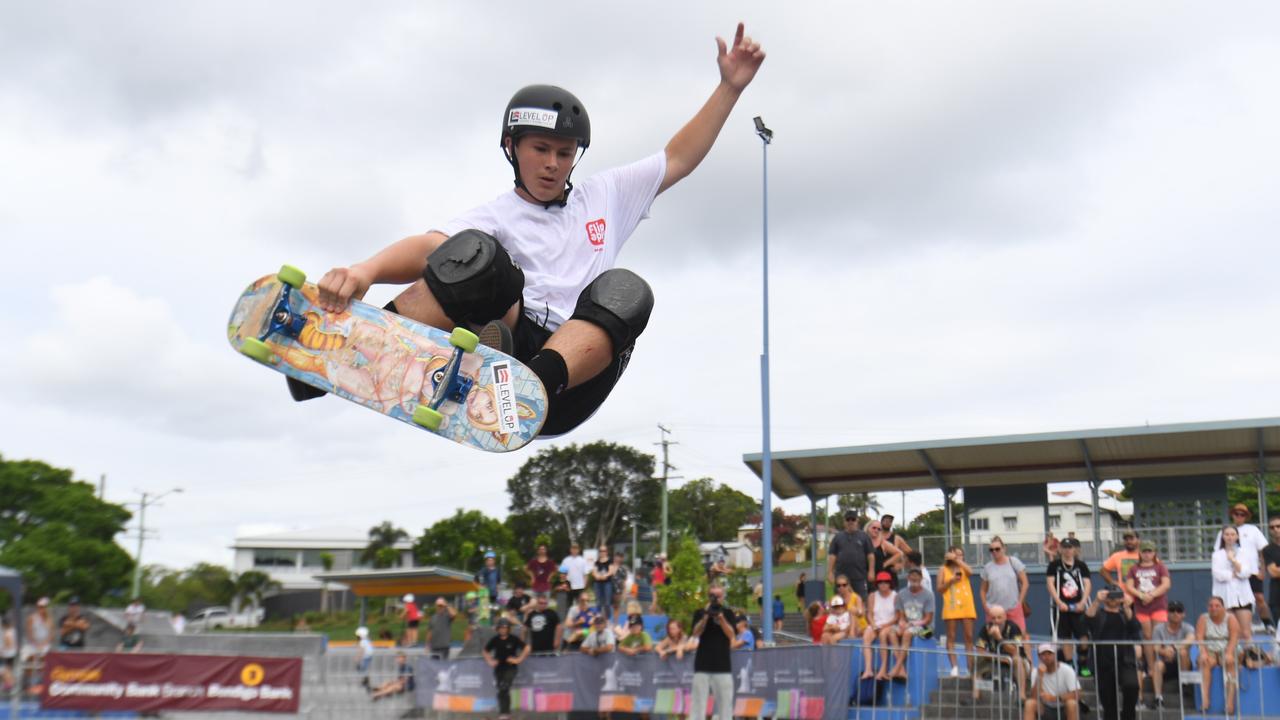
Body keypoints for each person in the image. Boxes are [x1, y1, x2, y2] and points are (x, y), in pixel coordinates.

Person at [308, 24, 766, 442]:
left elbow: (678, 159)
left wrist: (729, 88)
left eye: (564, 153)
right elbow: (429, 249)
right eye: (541, 149)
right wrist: (363, 271)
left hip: (574, 373)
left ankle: (525, 387)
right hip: (514, 338)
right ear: (512, 147)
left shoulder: (604, 196)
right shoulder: (495, 215)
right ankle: (361, 349)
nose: (552, 164)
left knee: (625, 289)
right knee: (474, 255)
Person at [1215, 502, 1273, 632]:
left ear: (1246, 516)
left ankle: (1267, 623)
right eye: (1237, 514)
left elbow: (1262, 550)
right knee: (1233, 601)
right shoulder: (1223, 531)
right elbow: (1217, 551)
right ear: (1232, 515)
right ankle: (1236, 627)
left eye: (1242, 514)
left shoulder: (1253, 530)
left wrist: (1262, 569)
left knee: (1259, 598)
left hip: (1251, 571)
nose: (1239, 516)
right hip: (1232, 574)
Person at [1085, 587, 1140, 720]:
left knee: (1132, 686)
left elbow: (1135, 628)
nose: (1113, 598)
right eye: (1110, 595)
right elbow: (1087, 620)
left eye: (1116, 595)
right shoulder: (1099, 613)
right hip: (1103, 662)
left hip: (1125, 660)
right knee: (1109, 703)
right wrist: (1097, 601)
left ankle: (1127, 716)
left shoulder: (1124, 613)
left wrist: (1128, 607)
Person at [1124, 540, 1170, 695]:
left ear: (1154, 552)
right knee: (1147, 636)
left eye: (1150, 551)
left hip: (1158, 604)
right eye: (1144, 551)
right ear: (1140, 553)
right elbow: (1129, 586)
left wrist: (1151, 595)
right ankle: (1150, 667)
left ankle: (1160, 665)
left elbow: (1166, 584)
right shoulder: (1134, 568)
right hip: (1141, 605)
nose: (1147, 554)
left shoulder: (1160, 566)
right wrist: (1141, 595)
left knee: (1158, 635)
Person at [690, 585, 737, 720]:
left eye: (718, 596)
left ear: (723, 597)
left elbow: (731, 635)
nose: (715, 599)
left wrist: (721, 619)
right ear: (708, 596)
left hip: (722, 666)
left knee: (725, 706)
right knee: (698, 705)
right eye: (713, 596)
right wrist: (705, 617)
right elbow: (695, 633)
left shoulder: (728, 613)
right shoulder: (699, 613)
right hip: (702, 665)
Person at [1046, 536, 1092, 675]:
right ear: (1060, 549)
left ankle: (1083, 664)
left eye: (1070, 548)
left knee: (1084, 635)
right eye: (1065, 548)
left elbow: (1087, 584)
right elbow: (1050, 584)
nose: (1067, 551)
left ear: (1075, 549)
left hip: (1078, 605)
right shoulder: (1054, 565)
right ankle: (1069, 664)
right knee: (1066, 637)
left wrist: (1083, 602)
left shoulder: (1081, 566)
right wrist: (1059, 602)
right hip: (1062, 607)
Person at [1211, 524, 1258, 647]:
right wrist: (1233, 573)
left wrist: (1233, 560)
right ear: (1222, 537)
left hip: (1243, 597)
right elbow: (1218, 574)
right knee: (1231, 632)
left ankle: (1249, 656)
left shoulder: (1244, 553)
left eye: (1233, 534)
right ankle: (1233, 657)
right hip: (1224, 597)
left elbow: (1246, 573)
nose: (1230, 537)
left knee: (1246, 633)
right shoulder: (1217, 555)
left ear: (1237, 536)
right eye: (1227, 534)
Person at [1195, 595, 1240, 716]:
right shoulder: (1203, 618)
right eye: (1211, 606)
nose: (1213, 608)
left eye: (1217, 606)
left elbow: (1234, 637)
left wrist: (1229, 653)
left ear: (1223, 607)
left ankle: (1230, 704)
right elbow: (1199, 636)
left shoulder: (1231, 618)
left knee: (1230, 664)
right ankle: (1205, 701)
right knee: (1204, 663)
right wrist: (1203, 652)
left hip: (1227, 646)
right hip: (1210, 647)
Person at [972, 604, 1027, 702]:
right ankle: (975, 697)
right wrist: (998, 658)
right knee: (978, 660)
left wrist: (999, 638)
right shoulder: (986, 628)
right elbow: (980, 651)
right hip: (996, 659)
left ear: (1005, 617)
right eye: (993, 618)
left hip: (1014, 659)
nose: (996, 621)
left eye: (999, 618)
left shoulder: (1013, 627)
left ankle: (1022, 696)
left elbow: (1015, 651)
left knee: (1017, 660)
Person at [889, 568, 935, 680]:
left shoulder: (928, 595)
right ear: (908, 578)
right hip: (908, 624)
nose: (914, 579)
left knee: (907, 633)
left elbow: (928, 619)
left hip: (926, 628)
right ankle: (902, 670)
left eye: (917, 577)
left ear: (921, 579)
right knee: (892, 632)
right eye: (912, 577)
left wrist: (912, 624)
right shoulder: (901, 594)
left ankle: (897, 667)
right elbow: (900, 616)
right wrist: (901, 623)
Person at [938, 545, 977, 677]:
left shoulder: (963, 567)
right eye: (955, 554)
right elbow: (939, 589)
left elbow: (971, 572)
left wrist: (958, 560)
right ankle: (954, 667)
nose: (958, 556)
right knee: (951, 636)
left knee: (969, 636)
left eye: (960, 554)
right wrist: (950, 581)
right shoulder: (943, 569)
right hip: (951, 604)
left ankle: (970, 668)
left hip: (966, 604)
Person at [1147, 600, 1193, 710]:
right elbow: (1156, 647)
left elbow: (1190, 639)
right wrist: (1164, 651)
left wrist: (1172, 648)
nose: (1175, 613)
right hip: (1165, 663)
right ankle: (1158, 698)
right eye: (1172, 610)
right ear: (1167, 613)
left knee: (1183, 652)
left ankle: (1185, 686)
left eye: (1179, 611)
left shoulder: (1187, 627)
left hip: (1182, 663)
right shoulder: (1159, 628)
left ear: (1183, 614)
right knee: (1158, 665)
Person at [981, 536, 1030, 633]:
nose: (994, 552)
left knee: (1021, 635)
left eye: (997, 549)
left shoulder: (1014, 562)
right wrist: (986, 606)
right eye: (991, 550)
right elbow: (983, 590)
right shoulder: (987, 567)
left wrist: (1019, 603)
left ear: (1004, 548)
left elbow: (1025, 583)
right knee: (993, 637)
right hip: (993, 610)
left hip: (1012, 608)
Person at [483, 617, 529, 720]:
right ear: (498, 629)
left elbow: (527, 648)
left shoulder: (513, 638)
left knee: (504, 686)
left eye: (505, 627)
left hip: (510, 668)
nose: (503, 629)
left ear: (508, 628)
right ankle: (503, 713)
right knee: (501, 690)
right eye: (501, 628)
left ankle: (505, 713)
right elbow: (485, 651)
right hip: (499, 668)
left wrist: (519, 659)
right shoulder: (495, 639)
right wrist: (490, 661)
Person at [1024, 643, 1081, 720]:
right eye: (1043, 654)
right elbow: (1033, 697)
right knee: (1029, 704)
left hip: (1063, 707)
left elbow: (1077, 694)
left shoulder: (1067, 669)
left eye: (1049, 653)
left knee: (1072, 704)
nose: (1046, 657)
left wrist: (1054, 698)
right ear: (1039, 657)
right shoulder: (1036, 672)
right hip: (1045, 709)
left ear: (1055, 655)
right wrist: (1039, 677)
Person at [827, 511, 875, 600]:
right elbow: (832, 556)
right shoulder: (838, 537)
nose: (850, 521)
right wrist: (830, 572)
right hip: (841, 578)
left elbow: (870, 555)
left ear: (857, 521)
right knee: (840, 601)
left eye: (853, 519)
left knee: (861, 600)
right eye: (848, 519)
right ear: (844, 522)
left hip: (859, 577)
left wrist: (871, 571)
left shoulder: (864, 536)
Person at [861, 572, 900, 681]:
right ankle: (868, 669)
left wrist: (885, 625)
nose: (883, 584)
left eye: (886, 582)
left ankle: (883, 668)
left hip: (890, 624)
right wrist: (873, 625)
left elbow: (897, 617)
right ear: (877, 584)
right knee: (866, 636)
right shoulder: (872, 596)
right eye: (880, 582)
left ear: (890, 583)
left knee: (883, 634)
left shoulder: (895, 596)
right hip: (876, 624)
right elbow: (869, 614)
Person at [1100, 530, 1141, 602]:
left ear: (1138, 540)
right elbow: (1103, 570)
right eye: (1126, 539)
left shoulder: (1146, 555)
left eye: (1131, 539)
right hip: (1123, 597)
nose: (1129, 542)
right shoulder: (1117, 556)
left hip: (1142, 596)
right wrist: (1113, 582)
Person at [867, 522, 904, 590]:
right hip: (865, 576)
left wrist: (885, 564)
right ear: (868, 528)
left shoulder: (883, 543)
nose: (876, 530)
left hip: (880, 578)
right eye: (874, 528)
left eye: (879, 529)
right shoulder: (862, 541)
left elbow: (899, 553)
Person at [592, 545, 617, 620]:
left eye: (604, 551)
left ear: (607, 552)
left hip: (607, 583)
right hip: (598, 583)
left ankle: (607, 619)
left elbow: (611, 571)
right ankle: (598, 619)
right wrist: (597, 576)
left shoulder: (610, 561)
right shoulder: (596, 562)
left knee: (607, 603)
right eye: (601, 551)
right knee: (598, 602)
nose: (602, 552)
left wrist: (604, 576)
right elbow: (594, 571)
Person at [1265, 516, 1280, 633]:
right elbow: (1273, 572)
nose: (1275, 529)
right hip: (1277, 597)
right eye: (1272, 527)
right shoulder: (1268, 550)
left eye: (1278, 526)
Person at [610, 551, 630, 617]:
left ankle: (615, 623)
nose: (618, 558)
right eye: (617, 556)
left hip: (618, 590)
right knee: (607, 607)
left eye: (620, 557)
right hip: (608, 589)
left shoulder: (623, 569)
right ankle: (607, 622)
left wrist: (624, 593)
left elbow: (624, 582)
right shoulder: (609, 566)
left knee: (616, 607)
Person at [1, 615, 16, 693]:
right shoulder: (12, 630)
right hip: (11, 654)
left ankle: (10, 685)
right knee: (9, 670)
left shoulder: (7, 633)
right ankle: (9, 685)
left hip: (9, 654)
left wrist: (2, 651)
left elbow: (9, 644)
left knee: (7, 671)